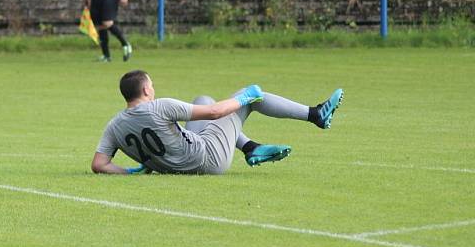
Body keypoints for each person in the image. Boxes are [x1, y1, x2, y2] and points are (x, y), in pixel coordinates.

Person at [91, 70, 343, 175]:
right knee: (250, 97)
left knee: (202, 98)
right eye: (152, 85)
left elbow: (99, 164)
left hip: (180, 163)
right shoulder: (159, 106)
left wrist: (132, 171)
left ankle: (250, 147)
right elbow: (214, 113)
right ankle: (315, 114)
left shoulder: (114, 125)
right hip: (207, 159)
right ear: (146, 89)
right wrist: (245, 97)